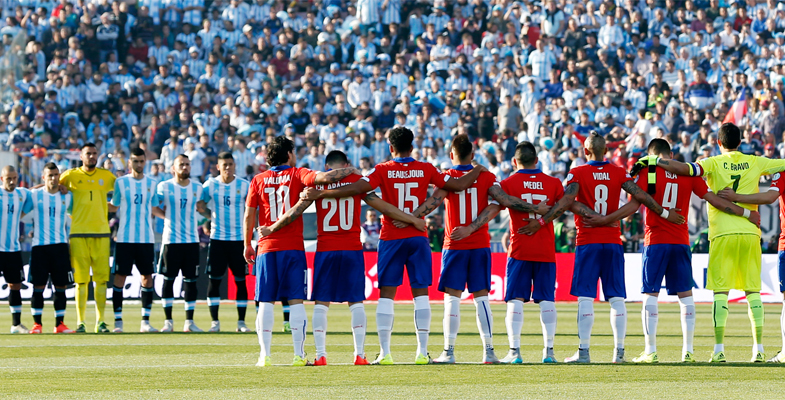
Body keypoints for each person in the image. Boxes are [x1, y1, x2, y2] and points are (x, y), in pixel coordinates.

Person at [300, 126, 487, 365]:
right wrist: (478, 169)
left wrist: (323, 194)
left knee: (387, 295)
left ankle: (385, 353)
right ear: (412, 147)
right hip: (418, 237)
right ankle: (421, 353)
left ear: (391, 148)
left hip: (390, 237)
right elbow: (458, 186)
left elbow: (359, 188)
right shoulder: (426, 168)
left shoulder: (383, 169)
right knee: (420, 294)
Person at [527, 132, 684, 363]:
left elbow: (566, 201)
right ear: (606, 151)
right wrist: (615, 217)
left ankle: (584, 353)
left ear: (585, 151)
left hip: (588, 241)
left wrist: (544, 220)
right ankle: (619, 353)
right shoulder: (619, 172)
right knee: (617, 297)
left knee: (585, 297)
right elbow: (638, 199)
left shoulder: (577, 173)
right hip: (612, 240)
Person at [257, 150, 425, 366]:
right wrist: (412, 219)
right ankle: (360, 355)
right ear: (346, 165)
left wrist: (271, 228)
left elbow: (294, 212)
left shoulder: (317, 186)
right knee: (355, 302)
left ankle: (320, 355)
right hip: (352, 249)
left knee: (321, 303)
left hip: (325, 249)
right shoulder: (356, 182)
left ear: (327, 168)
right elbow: (383, 206)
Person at [603, 139, 758, 363]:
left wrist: (608, 220)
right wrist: (744, 213)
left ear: (651, 156)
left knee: (650, 295)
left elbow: (634, 206)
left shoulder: (648, 173)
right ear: (672, 154)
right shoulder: (689, 174)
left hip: (655, 240)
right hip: (681, 241)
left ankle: (651, 351)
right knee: (686, 296)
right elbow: (713, 200)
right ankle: (688, 352)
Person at [642, 123, 785, 362]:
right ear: (740, 142)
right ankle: (758, 349)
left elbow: (685, 168)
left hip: (721, 234)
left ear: (719, 143)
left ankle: (719, 350)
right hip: (750, 232)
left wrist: (654, 161)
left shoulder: (712, 163)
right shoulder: (756, 161)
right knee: (752, 291)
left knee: (721, 292)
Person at [408, 136, 550, 364]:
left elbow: (433, 203)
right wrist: (534, 208)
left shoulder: (447, 178)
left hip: (454, 244)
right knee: (481, 298)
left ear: (452, 155)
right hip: (480, 244)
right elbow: (503, 201)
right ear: (472, 155)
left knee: (452, 299)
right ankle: (489, 351)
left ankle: (449, 352)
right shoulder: (486, 176)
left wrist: (409, 217)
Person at [243, 136, 361, 367]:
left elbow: (249, 215)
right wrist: (352, 170)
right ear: (288, 154)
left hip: (266, 246)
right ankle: (298, 355)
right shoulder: (298, 173)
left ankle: (264, 356)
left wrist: (248, 243)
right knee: (296, 301)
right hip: (293, 248)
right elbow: (326, 177)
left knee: (265, 301)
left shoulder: (258, 180)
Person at [59, 143, 117, 333]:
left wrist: (109, 208)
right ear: (81, 156)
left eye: (94, 154)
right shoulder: (70, 176)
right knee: (81, 281)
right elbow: (54, 188)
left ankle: (100, 322)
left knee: (101, 281)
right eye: (88, 154)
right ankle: (81, 322)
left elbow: (120, 195)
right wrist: (71, 212)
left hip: (101, 233)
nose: (91, 156)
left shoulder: (106, 176)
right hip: (78, 233)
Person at [109, 148, 160, 333]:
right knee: (120, 278)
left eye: (141, 161)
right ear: (130, 163)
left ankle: (145, 321)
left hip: (146, 239)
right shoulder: (120, 183)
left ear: (145, 162)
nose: (139, 164)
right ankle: (118, 321)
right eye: (135, 161)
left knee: (147, 278)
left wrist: (169, 217)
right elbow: (114, 206)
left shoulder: (152, 184)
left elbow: (154, 208)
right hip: (124, 239)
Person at [154, 154, 205, 333]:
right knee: (168, 280)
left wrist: (205, 220)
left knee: (191, 282)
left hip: (191, 241)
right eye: (181, 164)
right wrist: (166, 217)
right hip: (171, 241)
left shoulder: (198, 188)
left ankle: (189, 322)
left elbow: (202, 207)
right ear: (173, 168)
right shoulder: (164, 186)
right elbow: (153, 206)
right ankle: (168, 321)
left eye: (187, 164)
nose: (185, 167)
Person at [201, 152, 251, 333]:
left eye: (231, 164)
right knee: (214, 281)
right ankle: (215, 322)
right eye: (225, 165)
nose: (228, 168)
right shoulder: (210, 185)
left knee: (240, 281)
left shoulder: (244, 185)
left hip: (238, 240)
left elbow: (252, 209)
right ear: (218, 167)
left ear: (235, 165)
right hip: (217, 239)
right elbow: (200, 204)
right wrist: (209, 218)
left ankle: (241, 323)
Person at [28, 163, 74, 334]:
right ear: (43, 177)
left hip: (60, 246)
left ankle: (60, 324)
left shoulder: (67, 196)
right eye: (50, 175)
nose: (54, 178)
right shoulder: (34, 195)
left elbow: (74, 213)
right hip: (40, 247)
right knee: (38, 287)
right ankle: (37, 325)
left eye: (56, 175)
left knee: (60, 287)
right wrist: (42, 186)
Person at [0, 166, 32, 333]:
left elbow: (33, 193)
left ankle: (16, 324)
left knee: (16, 285)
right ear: (1, 179)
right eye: (8, 179)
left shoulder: (21, 194)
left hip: (12, 249)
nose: (12, 182)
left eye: (14, 178)